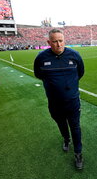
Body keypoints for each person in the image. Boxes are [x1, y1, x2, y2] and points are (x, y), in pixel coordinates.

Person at [34, 29, 85, 169]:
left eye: (60, 41)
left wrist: (68, 86)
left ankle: (78, 153)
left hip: (72, 101)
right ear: (48, 42)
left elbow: (80, 72)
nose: (58, 44)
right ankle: (66, 139)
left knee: (75, 126)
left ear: (64, 41)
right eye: (55, 41)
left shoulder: (74, 55)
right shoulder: (41, 58)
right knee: (61, 124)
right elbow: (38, 74)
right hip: (54, 102)